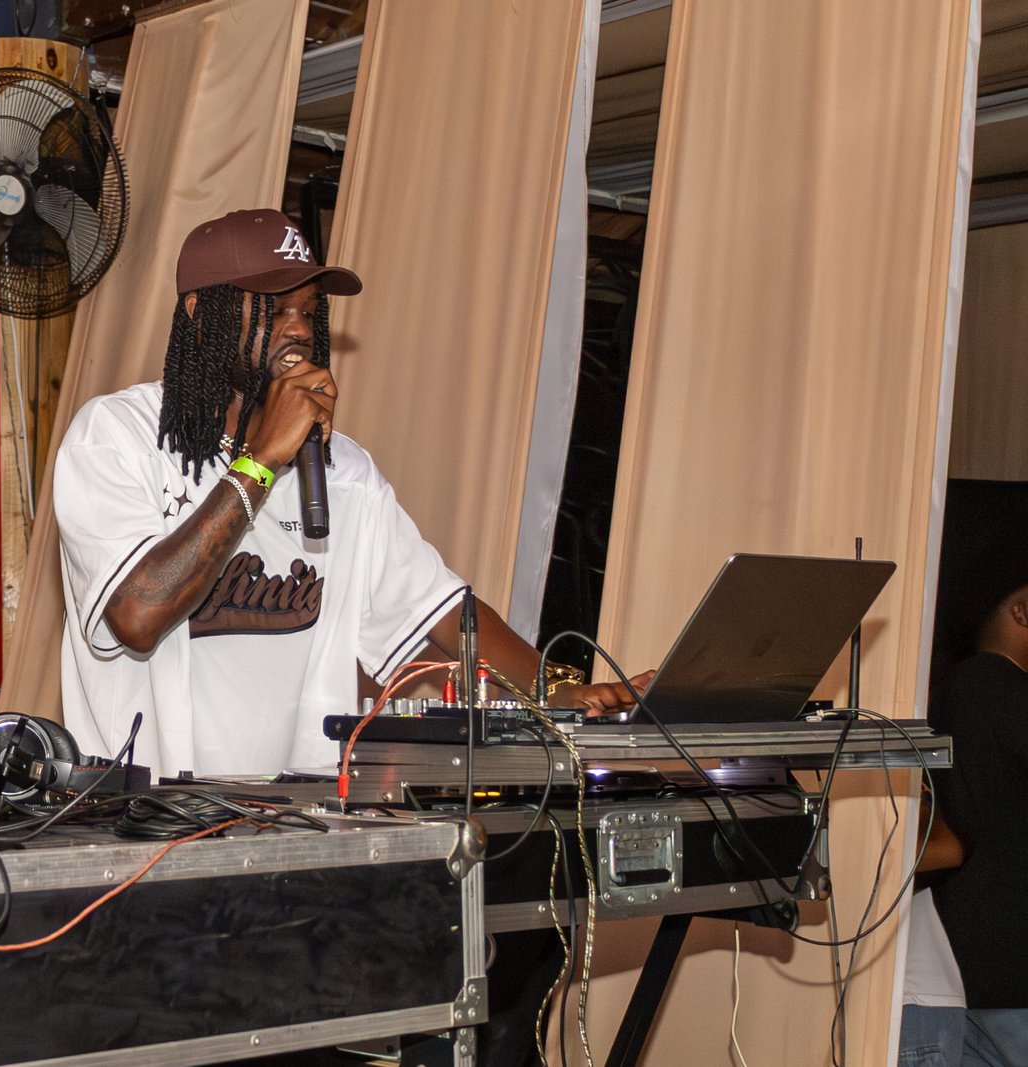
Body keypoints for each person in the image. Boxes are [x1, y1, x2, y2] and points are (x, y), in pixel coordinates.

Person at [55, 208, 646, 777]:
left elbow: (444, 611)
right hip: (149, 819)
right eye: (275, 309)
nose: (298, 329)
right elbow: (137, 615)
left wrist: (558, 689)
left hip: (297, 817)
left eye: (309, 311)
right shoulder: (116, 437)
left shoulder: (345, 472)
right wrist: (261, 461)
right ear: (201, 314)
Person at [928, 574, 1028, 1066]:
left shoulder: (968, 687)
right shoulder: (989, 685)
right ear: (1021, 610)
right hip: (1004, 973)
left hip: (984, 972)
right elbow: (959, 830)